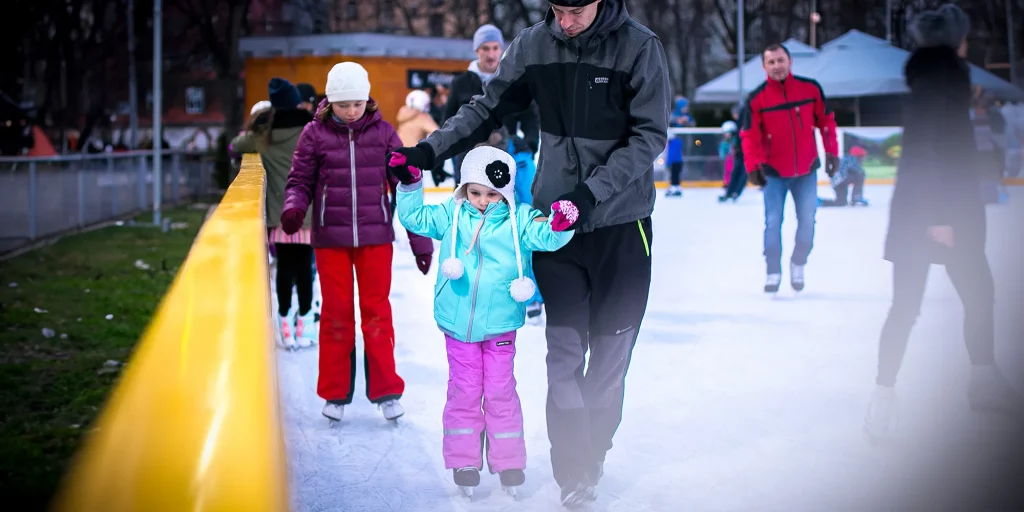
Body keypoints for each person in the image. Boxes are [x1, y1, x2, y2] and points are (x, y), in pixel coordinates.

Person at [388, 0, 670, 505]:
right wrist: (430, 150)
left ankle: (594, 450)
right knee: (563, 356)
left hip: (621, 229)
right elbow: (485, 109)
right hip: (553, 228)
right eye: (557, 10)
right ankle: (573, 470)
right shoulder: (536, 45)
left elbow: (648, 137)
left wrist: (588, 196)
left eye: (575, 11)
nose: (564, 21)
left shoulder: (639, 48)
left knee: (608, 363)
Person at [863, 4, 1023, 441]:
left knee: (974, 294)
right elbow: (924, 149)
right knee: (911, 306)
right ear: (957, 41)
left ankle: (981, 383)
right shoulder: (941, 82)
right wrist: (938, 216)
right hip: (936, 215)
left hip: (936, 212)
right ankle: (884, 397)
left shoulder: (939, 80)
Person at [392, 145, 574, 497]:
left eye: (491, 194)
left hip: (500, 325)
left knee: (500, 391)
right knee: (464, 390)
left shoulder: (519, 218)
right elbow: (415, 219)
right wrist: (410, 185)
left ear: (505, 190)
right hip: (458, 324)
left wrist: (562, 223)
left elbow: (547, 236)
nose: (481, 200)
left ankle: (508, 461)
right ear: (464, 189)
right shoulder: (453, 213)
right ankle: (464, 459)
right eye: (474, 192)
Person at [280, 62, 435, 424]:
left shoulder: (384, 134)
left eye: (357, 104)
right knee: (336, 315)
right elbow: (299, 180)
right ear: (330, 102)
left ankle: (386, 391)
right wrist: (293, 207)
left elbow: (406, 189)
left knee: (377, 313)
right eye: (343, 104)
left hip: (375, 237)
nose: (351, 111)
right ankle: (335, 393)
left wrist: (420, 242)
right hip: (330, 238)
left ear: (368, 100)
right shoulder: (313, 134)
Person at [741, 42, 839, 293]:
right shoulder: (757, 99)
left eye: (780, 60)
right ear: (764, 66)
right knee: (773, 222)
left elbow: (826, 121)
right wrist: (753, 167)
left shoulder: (810, 89)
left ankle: (798, 262)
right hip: (773, 173)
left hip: (806, 171)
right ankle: (773, 269)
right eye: (771, 62)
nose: (777, 66)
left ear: (790, 61)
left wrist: (832, 153)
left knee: (808, 220)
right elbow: (749, 135)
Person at [230, 78, 317, 350]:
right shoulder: (310, 128)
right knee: (304, 268)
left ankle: (284, 325)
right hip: (307, 211)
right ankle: (304, 324)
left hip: (279, 213)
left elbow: (235, 146)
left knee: (284, 269)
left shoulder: (263, 134)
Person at [442, 24, 541, 187]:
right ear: (476, 51)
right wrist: (440, 159)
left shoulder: (515, 81)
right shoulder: (461, 83)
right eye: (485, 48)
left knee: (506, 208)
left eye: (495, 48)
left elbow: (530, 119)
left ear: (501, 50)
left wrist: (529, 145)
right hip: (468, 159)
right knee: (469, 209)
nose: (491, 54)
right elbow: (448, 122)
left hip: (506, 156)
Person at [719, 103, 748, 202]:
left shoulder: (746, 121)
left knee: (743, 173)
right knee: (735, 172)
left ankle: (735, 192)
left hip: (747, 152)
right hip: (740, 152)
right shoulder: (738, 124)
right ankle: (729, 192)